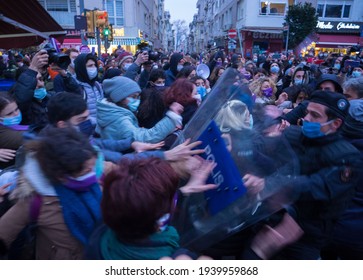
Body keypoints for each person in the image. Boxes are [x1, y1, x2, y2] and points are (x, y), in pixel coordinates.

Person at [243, 91, 361, 259]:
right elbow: (267, 149)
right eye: (307, 112)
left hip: (304, 235)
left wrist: (271, 184)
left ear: (335, 124)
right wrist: (240, 146)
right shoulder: (294, 135)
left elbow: (318, 185)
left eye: (315, 115)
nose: (306, 118)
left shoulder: (347, 158)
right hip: (269, 220)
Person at [0, 127, 102, 259]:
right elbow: (3, 234)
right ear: (61, 176)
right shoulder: (35, 201)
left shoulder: (92, 178)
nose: (93, 174)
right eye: (86, 171)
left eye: (93, 167)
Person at [85, 157, 216, 260]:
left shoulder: (101, 232)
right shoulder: (178, 259)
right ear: (160, 224)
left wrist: (186, 190)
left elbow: (137, 204)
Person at [96, 76, 183, 143]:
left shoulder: (115, 112)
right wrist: (171, 118)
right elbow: (143, 138)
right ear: (119, 98)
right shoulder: (119, 119)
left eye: (138, 97)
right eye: (133, 97)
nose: (137, 101)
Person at [11, 50, 50, 129]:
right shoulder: (20, 107)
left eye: (41, 79)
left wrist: (65, 76)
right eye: (34, 81)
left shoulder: (49, 98)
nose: (40, 84)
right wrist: (33, 68)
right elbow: (22, 98)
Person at [0, 92, 28, 169]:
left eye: (16, 109)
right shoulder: (3, 134)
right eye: (9, 114)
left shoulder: (12, 126)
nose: (16, 114)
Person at [74, 53, 104, 124]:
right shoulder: (75, 85)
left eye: (94, 65)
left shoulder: (97, 85)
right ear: (82, 68)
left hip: (99, 127)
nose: (94, 68)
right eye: (90, 66)